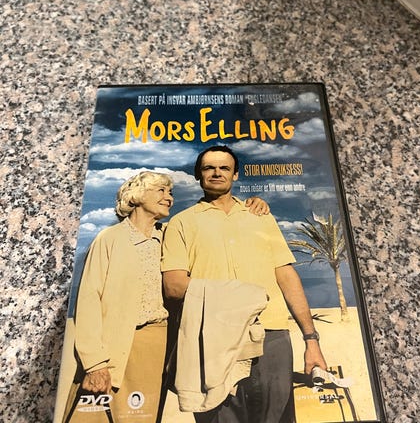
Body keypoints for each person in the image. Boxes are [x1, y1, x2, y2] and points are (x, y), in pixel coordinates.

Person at [62, 170, 269, 423]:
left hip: (160, 345)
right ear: (136, 195)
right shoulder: (110, 239)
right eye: (161, 190)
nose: (169, 198)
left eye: (170, 192)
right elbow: (89, 301)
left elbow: (211, 230)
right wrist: (95, 364)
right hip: (114, 349)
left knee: (142, 417)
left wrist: (248, 204)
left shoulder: (169, 236)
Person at [161, 146, 328, 423]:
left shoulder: (260, 216)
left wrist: (312, 341)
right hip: (212, 338)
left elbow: (286, 276)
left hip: (271, 335)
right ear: (198, 175)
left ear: (235, 175)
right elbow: (174, 286)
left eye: (224, 168)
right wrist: (238, 297)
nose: (217, 173)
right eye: (209, 168)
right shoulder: (181, 223)